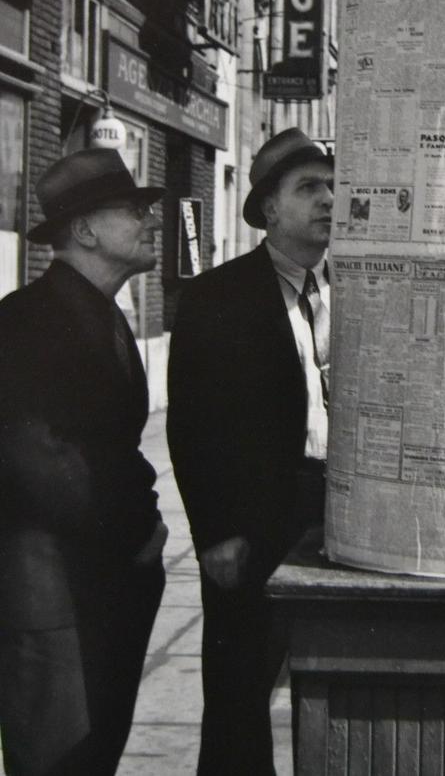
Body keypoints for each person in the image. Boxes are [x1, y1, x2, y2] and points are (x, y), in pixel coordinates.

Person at [167, 127, 333, 776]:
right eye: (309, 188)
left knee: (333, 677)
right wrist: (215, 534)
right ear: (269, 208)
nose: (328, 200)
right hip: (257, 521)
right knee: (240, 694)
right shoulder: (218, 297)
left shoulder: (355, 290)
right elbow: (192, 427)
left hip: (338, 511)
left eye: (333, 187)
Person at [0, 148, 168, 776]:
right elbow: (38, 461)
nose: (150, 222)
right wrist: (138, 525)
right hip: (53, 608)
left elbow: (109, 448)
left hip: (102, 592)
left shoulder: (103, 314)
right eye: (134, 211)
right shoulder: (26, 321)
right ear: (87, 230)